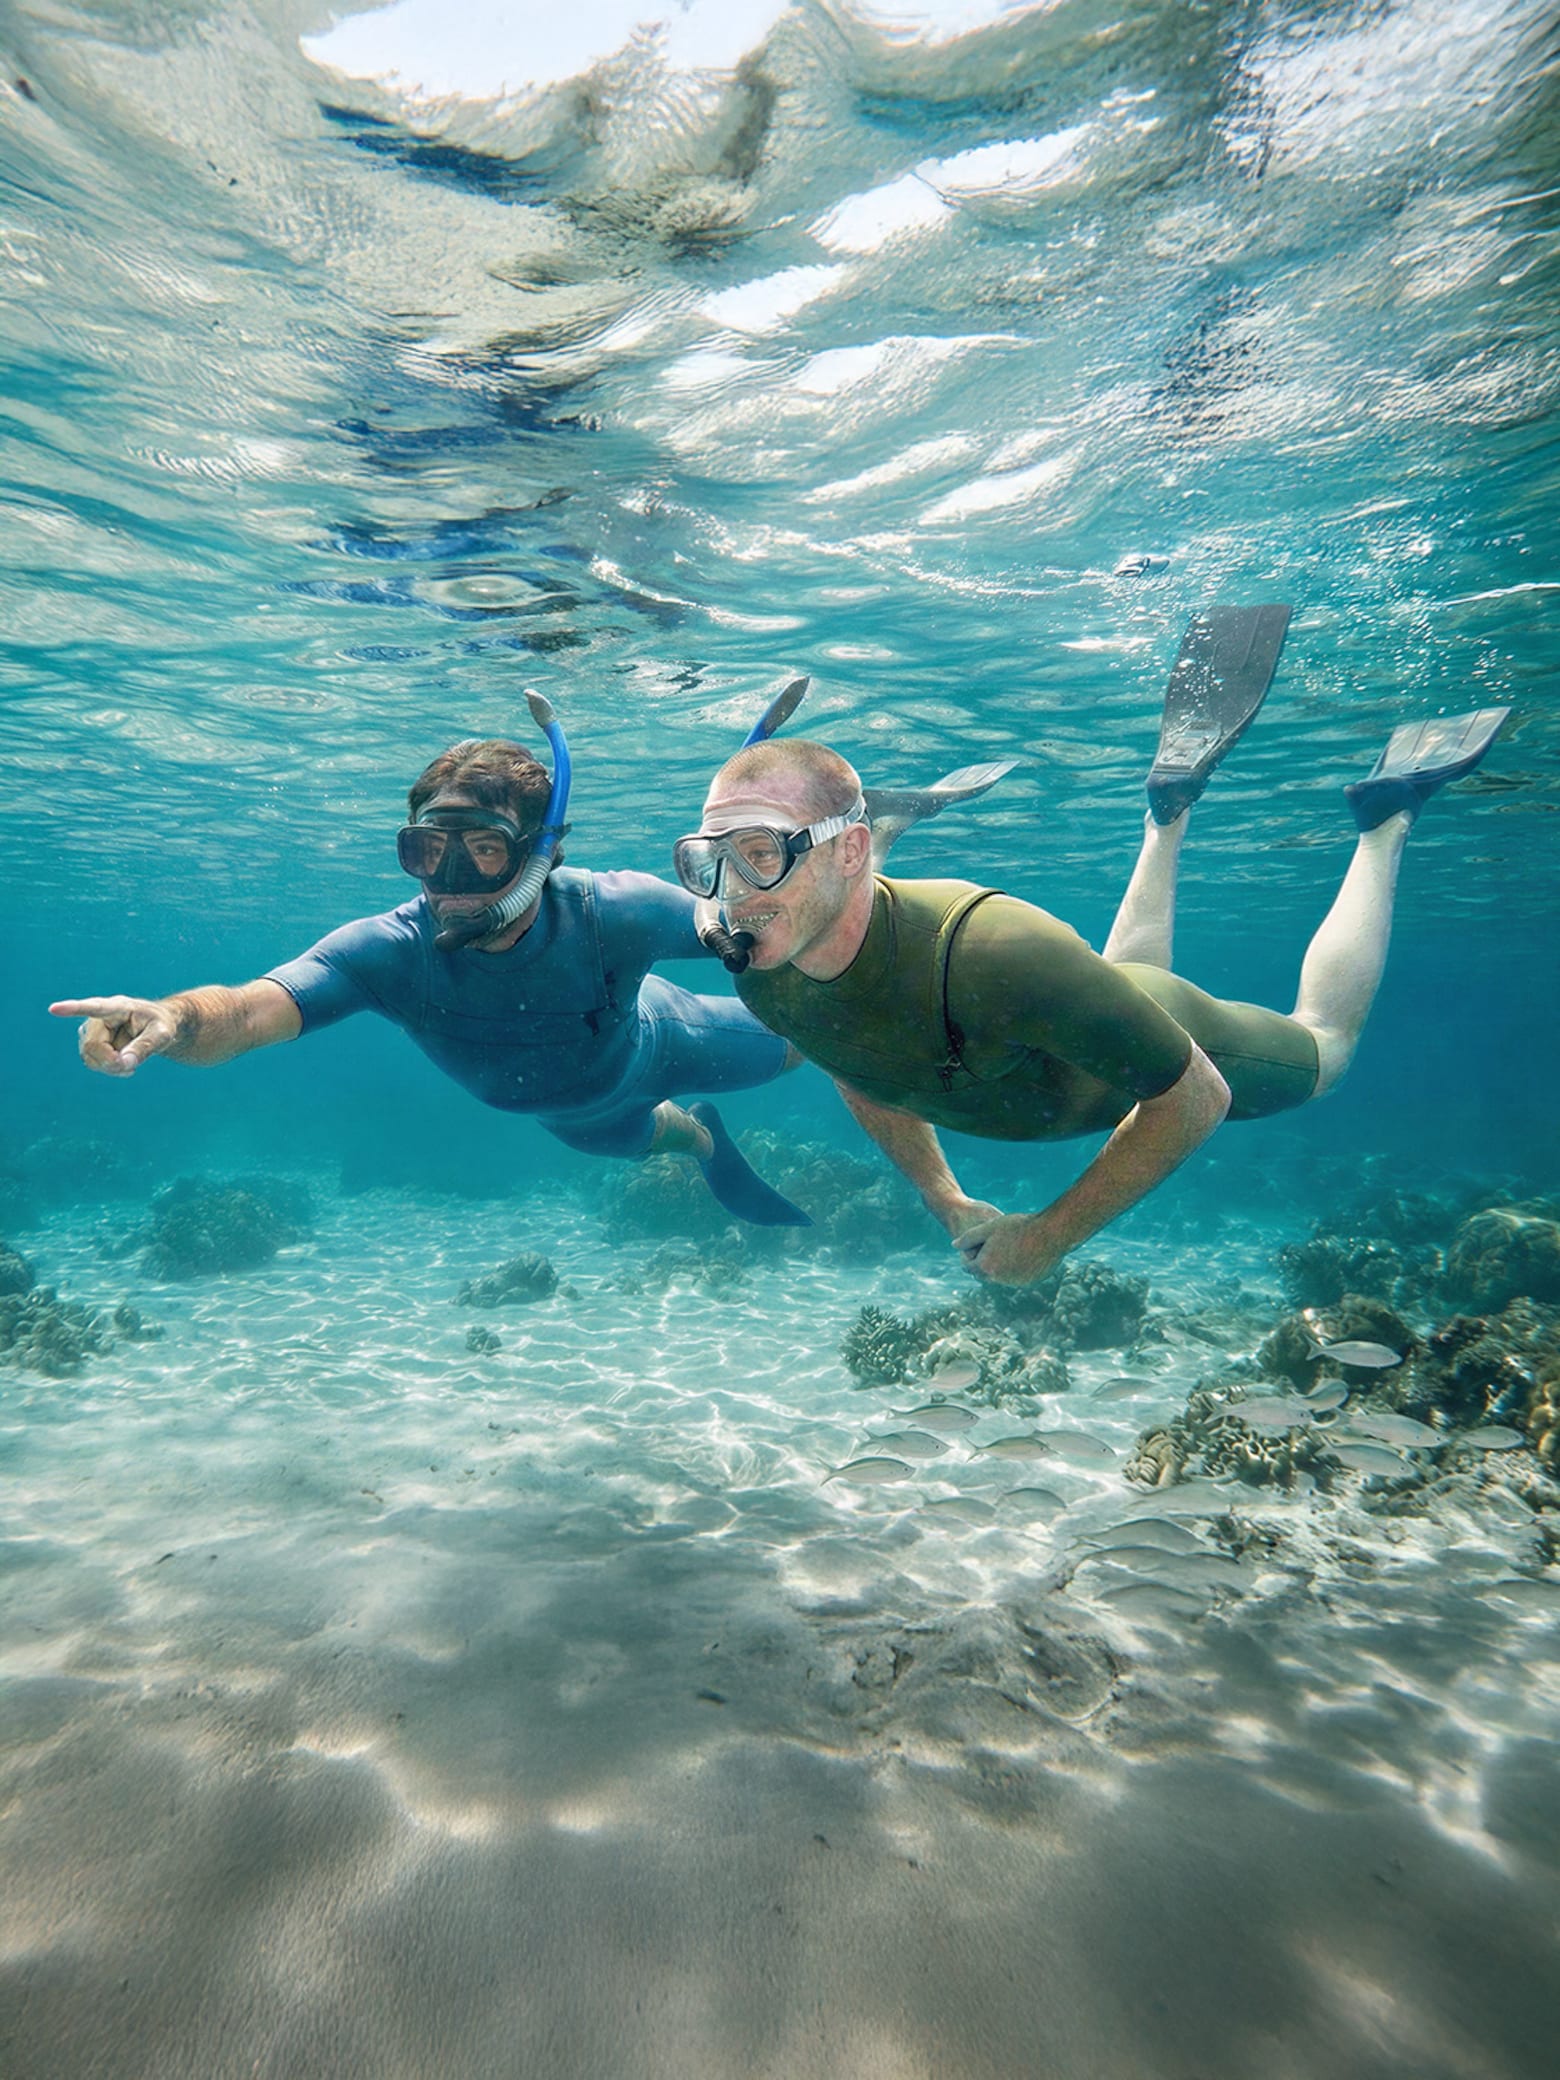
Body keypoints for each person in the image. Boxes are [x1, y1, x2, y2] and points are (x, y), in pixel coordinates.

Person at [672, 609, 1512, 1284]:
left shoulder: (996, 948)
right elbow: (857, 1060)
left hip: (1168, 1040)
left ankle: (1385, 816)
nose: (731, 892)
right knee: (1116, 978)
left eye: (761, 852)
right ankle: (1169, 805)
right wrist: (947, 1200)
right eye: (709, 860)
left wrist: (1049, 1237)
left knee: (1325, 1050)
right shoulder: (761, 958)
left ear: (850, 851)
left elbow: (1196, 1097)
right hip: (1069, 1024)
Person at [51, 709, 812, 1227]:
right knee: (672, 1141)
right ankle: (708, 1140)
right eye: (425, 851)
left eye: (483, 851)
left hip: (672, 1040)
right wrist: (172, 1018)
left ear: (542, 855)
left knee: (813, 1042)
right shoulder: (387, 951)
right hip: (578, 1122)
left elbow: (765, 924)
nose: (448, 882)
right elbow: (250, 1012)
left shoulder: (614, 911)